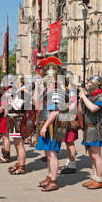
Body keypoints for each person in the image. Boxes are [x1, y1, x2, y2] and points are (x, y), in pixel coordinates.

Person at [36, 57, 63, 192]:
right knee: (48, 153)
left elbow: (54, 112)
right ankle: (49, 176)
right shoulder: (48, 91)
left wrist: (45, 126)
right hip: (46, 124)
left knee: (51, 154)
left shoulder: (54, 92)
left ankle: (53, 181)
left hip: (52, 127)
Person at [79, 75, 102, 190]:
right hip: (88, 128)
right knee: (91, 155)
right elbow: (82, 110)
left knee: (97, 155)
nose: (89, 84)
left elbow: (93, 108)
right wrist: (82, 98)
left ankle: (100, 179)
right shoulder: (91, 96)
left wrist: (83, 97)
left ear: (98, 84)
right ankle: (94, 177)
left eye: (91, 82)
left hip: (96, 129)